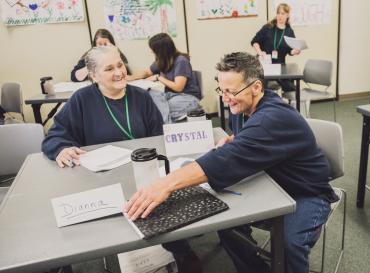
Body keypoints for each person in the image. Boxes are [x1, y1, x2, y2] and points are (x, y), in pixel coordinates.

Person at [124, 52, 338, 273]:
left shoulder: (273, 117)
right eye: (222, 90)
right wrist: (239, 139)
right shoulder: (246, 105)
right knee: (227, 224)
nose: (226, 98)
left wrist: (164, 184)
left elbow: (224, 159)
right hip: (269, 182)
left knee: (289, 245)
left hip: (306, 193)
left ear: (256, 87)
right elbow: (253, 137)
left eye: (232, 91)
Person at [43, 45, 201, 273]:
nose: (119, 72)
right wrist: (61, 149)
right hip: (102, 183)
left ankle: (178, 252)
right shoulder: (82, 100)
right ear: (94, 75)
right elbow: (55, 135)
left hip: (144, 177)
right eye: (109, 69)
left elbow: (159, 137)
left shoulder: (141, 97)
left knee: (164, 213)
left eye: (120, 65)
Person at [128, 33, 201, 123]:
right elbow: (147, 72)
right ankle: (168, 122)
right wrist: (130, 77)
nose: (151, 51)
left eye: (153, 49)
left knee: (159, 109)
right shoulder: (162, 60)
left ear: (160, 50)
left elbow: (178, 87)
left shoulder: (181, 61)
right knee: (151, 98)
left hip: (188, 97)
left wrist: (159, 77)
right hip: (171, 96)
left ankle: (165, 128)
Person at [251, 3, 300, 92]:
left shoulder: (289, 31)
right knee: (262, 88)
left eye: (282, 14)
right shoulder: (268, 27)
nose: (280, 16)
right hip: (265, 65)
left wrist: (295, 51)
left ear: (288, 15)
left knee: (291, 88)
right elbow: (255, 41)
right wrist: (259, 52)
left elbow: (290, 50)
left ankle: (288, 104)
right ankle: (263, 104)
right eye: (278, 13)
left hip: (280, 65)